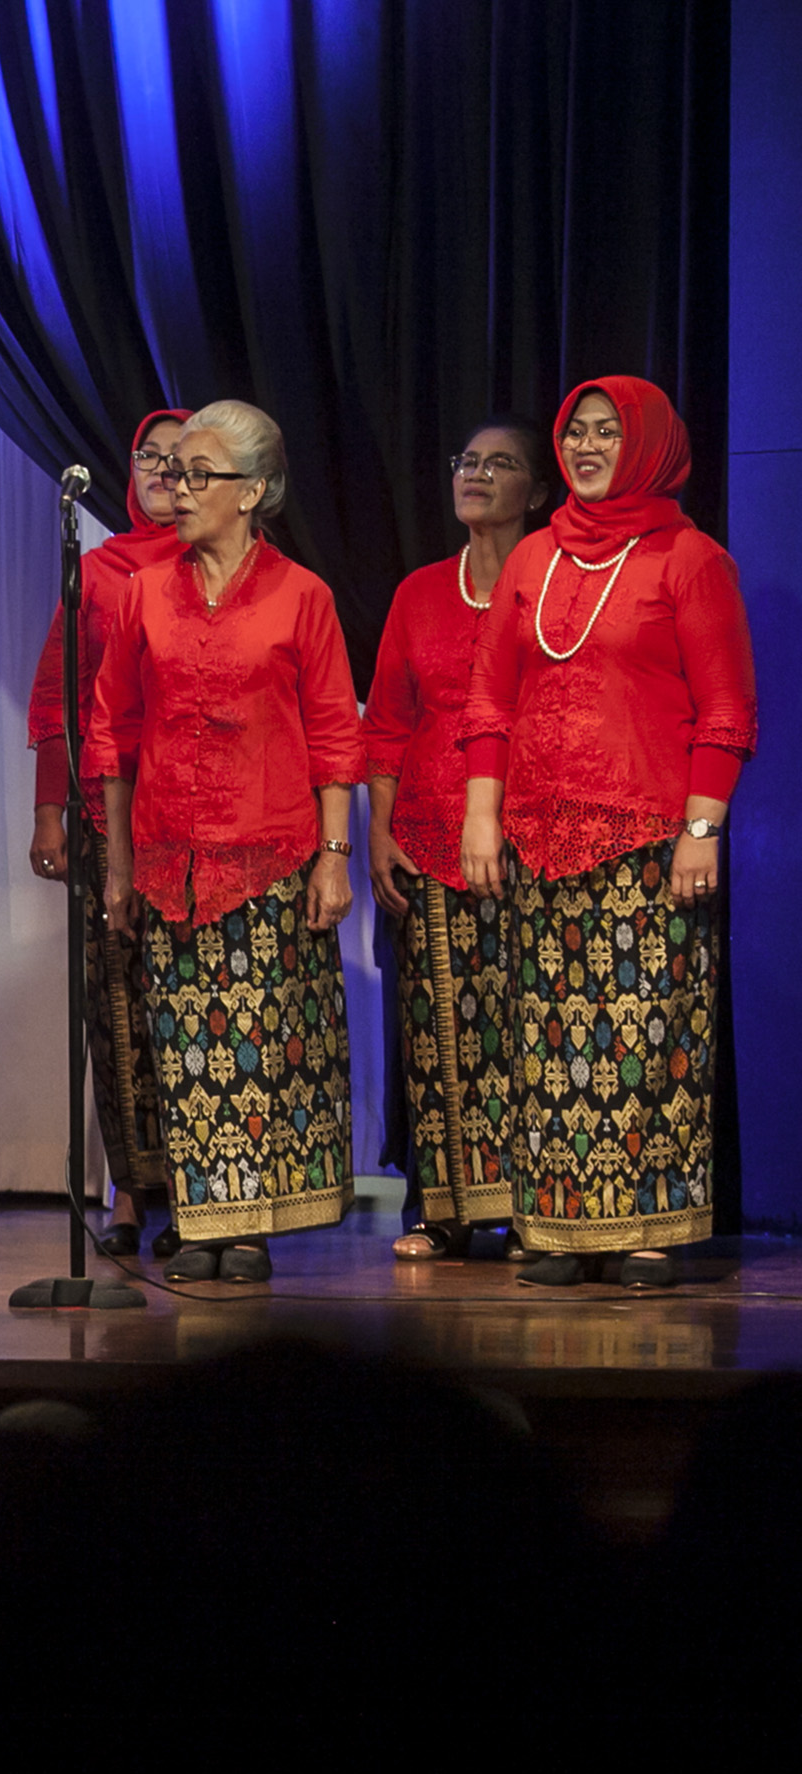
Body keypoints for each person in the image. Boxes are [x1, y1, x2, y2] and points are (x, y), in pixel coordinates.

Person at [462, 376, 757, 1289]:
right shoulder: (534, 559)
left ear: (650, 446)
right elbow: (489, 699)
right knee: (549, 1036)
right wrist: (481, 812)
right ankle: (559, 1228)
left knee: (642, 1030)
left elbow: (728, 708)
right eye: (577, 433)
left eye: (608, 433)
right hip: (539, 840)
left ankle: (645, 1228)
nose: (587, 448)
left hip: (649, 840)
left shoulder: (689, 558)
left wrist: (702, 827)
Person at [85, 400, 360, 1283]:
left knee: (259, 1041)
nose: (178, 487)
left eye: (201, 474)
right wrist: (119, 865)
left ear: (255, 492)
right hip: (169, 856)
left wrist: (335, 853)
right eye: (175, 472)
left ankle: (250, 1227)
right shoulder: (141, 591)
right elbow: (113, 731)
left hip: (270, 852)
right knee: (185, 1045)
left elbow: (334, 735)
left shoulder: (302, 595)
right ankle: (203, 1219)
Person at [365, 418, 549, 1261]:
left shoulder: (554, 581)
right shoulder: (419, 592)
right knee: (438, 1026)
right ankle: (441, 1210)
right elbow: (390, 723)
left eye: (499, 463)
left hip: (530, 832)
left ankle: (533, 1211)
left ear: (536, 492)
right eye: (466, 459)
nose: (475, 474)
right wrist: (376, 829)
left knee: (523, 1027)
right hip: (427, 831)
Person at [26, 410, 192, 1256]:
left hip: (200, 818)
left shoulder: (220, 570)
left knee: (185, 1001)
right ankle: (129, 1192)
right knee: (116, 1005)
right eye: (149, 457)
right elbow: (59, 696)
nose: (164, 470)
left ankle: (200, 1196)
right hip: (104, 813)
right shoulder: (97, 570)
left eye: (181, 458)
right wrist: (48, 808)